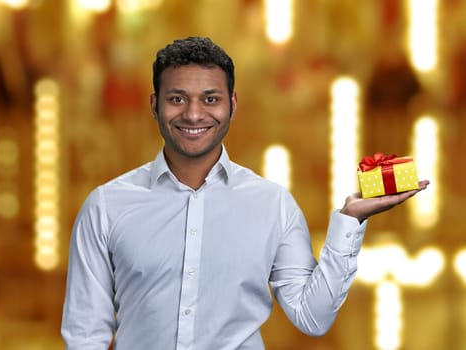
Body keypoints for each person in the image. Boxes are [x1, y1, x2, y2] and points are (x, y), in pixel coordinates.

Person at [61, 36, 430, 350]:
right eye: (177, 99)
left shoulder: (272, 204)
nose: (193, 114)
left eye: (210, 99)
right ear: (154, 105)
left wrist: (350, 220)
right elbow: (84, 335)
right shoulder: (107, 206)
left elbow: (312, 317)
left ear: (232, 105)